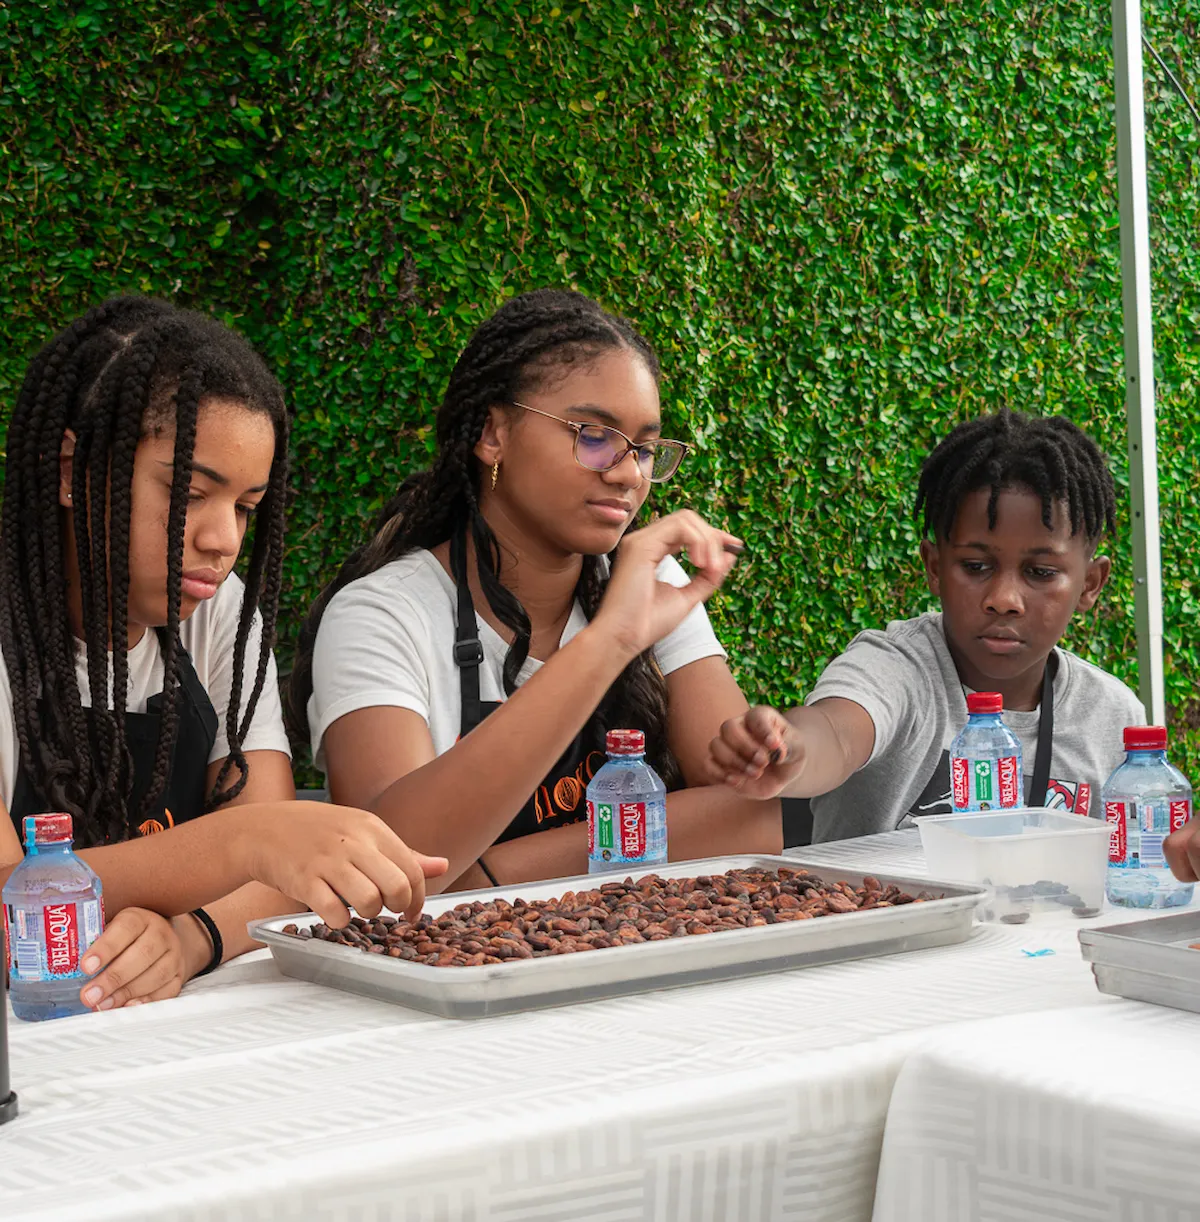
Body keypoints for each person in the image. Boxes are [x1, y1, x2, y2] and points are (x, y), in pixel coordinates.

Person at [0, 297, 444, 1012]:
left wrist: (190, 937)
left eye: (245, 507)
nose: (222, 540)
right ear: (69, 472)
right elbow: (8, 903)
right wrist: (242, 840)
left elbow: (280, 875)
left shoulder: (217, 616)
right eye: (189, 494)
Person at [289, 289, 782, 890]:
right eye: (594, 435)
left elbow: (750, 813)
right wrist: (610, 642)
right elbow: (393, 866)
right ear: (493, 433)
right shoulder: (382, 615)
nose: (629, 473)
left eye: (646, 449)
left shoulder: (653, 583)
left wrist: (493, 875)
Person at [707, 409, 1146, 840]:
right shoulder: (896, 668)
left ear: (1090, 584)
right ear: (934, 568)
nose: (1003, 600)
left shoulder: (1112, 716)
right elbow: (838, 734)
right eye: (976, 566)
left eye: (1041, 573)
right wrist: (793, 752)